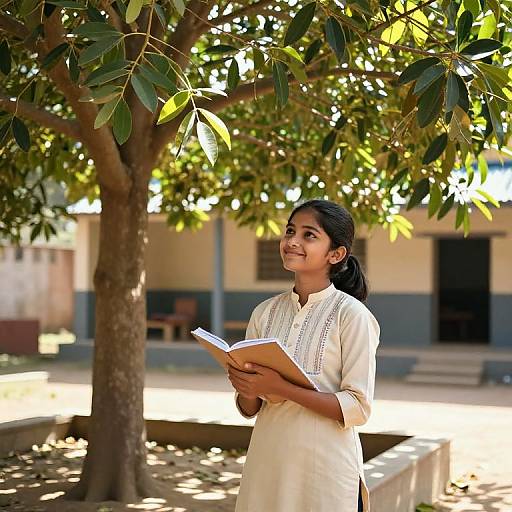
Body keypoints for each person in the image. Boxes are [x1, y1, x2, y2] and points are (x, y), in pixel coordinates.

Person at [228, 199, 380, 512]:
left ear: (336, 254)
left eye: (309, 235)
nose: (293, 241)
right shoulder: (264, 313)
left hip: (325, 470)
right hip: (267, 463)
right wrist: (246, 386)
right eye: (290, 231)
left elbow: (357, 407)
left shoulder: (352, 316)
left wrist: (283, 388)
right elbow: (249, 407)